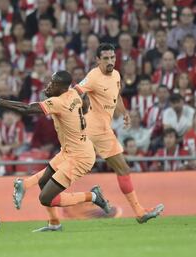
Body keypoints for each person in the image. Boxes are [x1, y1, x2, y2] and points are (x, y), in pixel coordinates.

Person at [13, 43, 164, 231]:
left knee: (117, 168)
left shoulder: (116, 75)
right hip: (91, 129)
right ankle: (138, 212)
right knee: (76, 159)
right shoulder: (93, 76)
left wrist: (124, 112)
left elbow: (115, 96)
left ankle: (35, 196)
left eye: (112, 58)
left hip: (105, 130)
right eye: (106, 58)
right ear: (97, 60)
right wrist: (72, 106)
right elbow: (74, 92)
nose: (110, 62)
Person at [0, 70, 111, 232]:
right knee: (43, 183)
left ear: (62, 87)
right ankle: (54, 223)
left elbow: (27, 109)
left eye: (53, 83)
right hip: (70, 151)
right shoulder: (73, 93)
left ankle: (93, 196)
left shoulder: (59, 102)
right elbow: (85, 105)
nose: (49, 85)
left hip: (80, 157)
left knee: (45, 198)